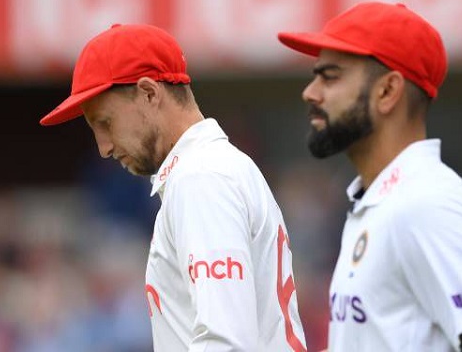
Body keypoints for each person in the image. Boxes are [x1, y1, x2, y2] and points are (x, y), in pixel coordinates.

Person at [40, 23, 307, 352]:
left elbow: (226, 342)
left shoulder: (201, 177)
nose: (103, 148)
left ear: (150, 93)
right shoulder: (212, 168)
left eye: (105, 123)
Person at [278, 2, 462, 351]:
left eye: (330, 76)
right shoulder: (382, 200)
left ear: (388, 91)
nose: (311, 92)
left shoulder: (427, 200)